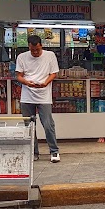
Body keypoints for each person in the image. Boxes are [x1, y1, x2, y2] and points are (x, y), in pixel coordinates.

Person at [16, 35, 61, 163]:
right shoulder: (22, 57)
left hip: (44, 96)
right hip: (27, 96)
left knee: (48, 125)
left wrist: (46, 83)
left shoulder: (50, 55)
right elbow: (19, 75)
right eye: (32, 50)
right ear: (29, 47)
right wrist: (26, 82)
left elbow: (53, 73)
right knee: (29, 126)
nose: (35, 52)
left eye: (37, 50)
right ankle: (34, 152)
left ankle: (54, 151)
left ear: (41, 45)